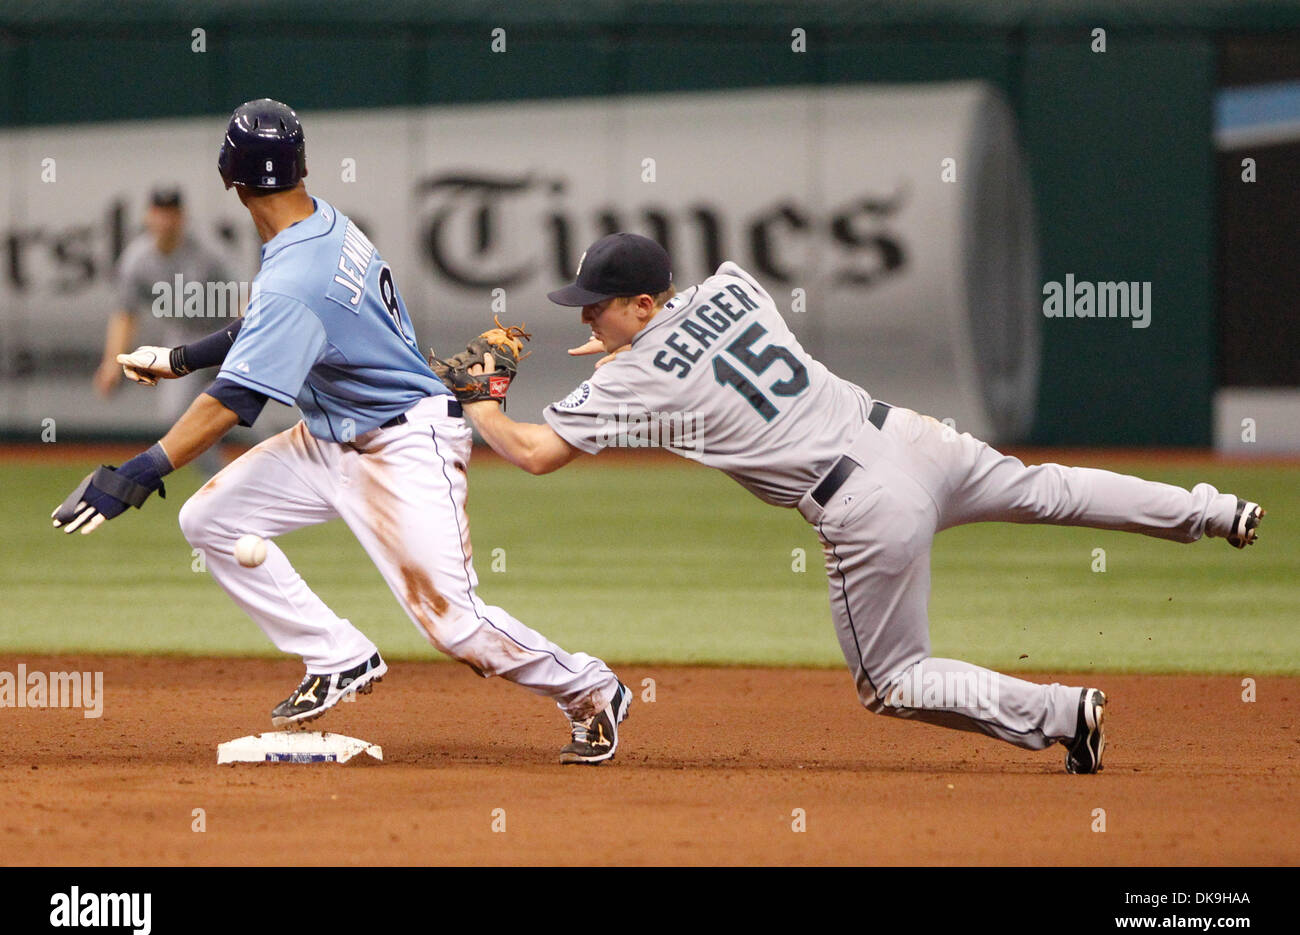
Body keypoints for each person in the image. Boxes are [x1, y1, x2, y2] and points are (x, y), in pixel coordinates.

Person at [440, 232, 1266, 774]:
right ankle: (1213, 511)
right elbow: (677, 341)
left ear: (645, 304)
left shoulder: (631, 373)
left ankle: (1058, 712)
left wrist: (481, 396)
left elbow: (533, 453)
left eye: (599, 302)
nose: (586, 313)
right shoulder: (734, 286)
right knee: (1050, 487)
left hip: (865, 505)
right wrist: (617, 341)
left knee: (895, 682)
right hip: (913, 439)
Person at [53, 99, 630, 765]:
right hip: (330, 438)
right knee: (209, 518)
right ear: (300, 167)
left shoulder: (298, 271)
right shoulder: (321, 224)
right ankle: (339, 656)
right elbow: (265, 322)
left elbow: (234, 398)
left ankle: (591, 689)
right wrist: (178, 357)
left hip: (402, 445)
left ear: (228, 176)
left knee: (455, 625)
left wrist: (137, 472)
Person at [95, 186, 237, 477]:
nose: (165, 220)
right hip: (184, 336)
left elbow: (241, 299)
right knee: (179, 417)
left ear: (182, 217)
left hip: (225, 336)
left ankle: (292, 464)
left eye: (171, 213)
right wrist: (112, 362)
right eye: (159, 213)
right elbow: (125, 312)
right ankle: (220, 481)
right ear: (149, 216)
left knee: (249, 411)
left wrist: (251, 343)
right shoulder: (138, 259)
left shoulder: (208, 250)